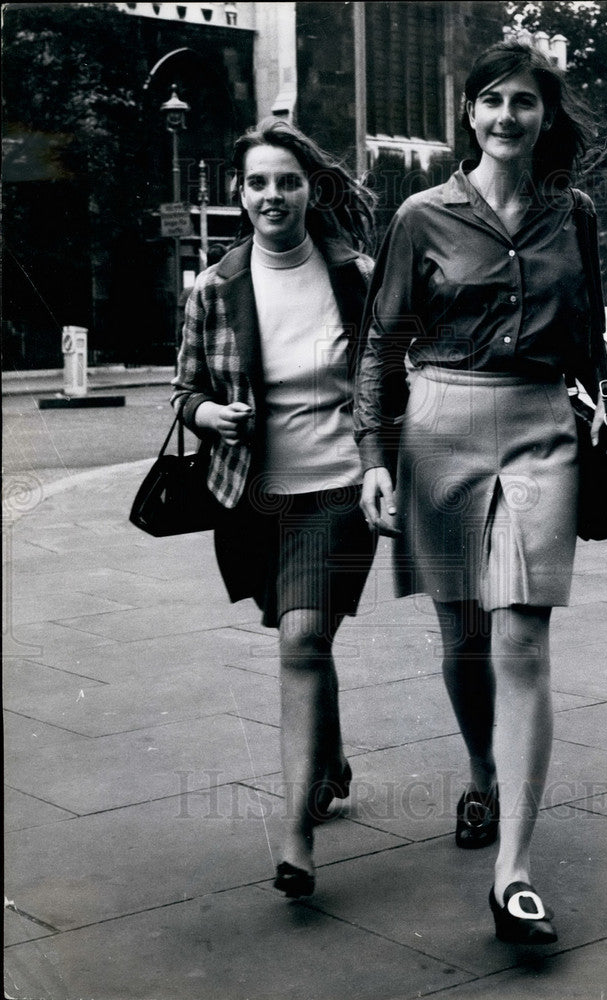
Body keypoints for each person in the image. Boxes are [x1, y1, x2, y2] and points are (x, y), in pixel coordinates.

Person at [355, 37, 607, 944]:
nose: (508, 117)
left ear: (545, 115)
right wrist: (371, 454)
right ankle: (482, 769)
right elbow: (380, 344)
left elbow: (589, 329)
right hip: (440, 424)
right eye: (492, 102)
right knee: (464, 638)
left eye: (525, 102)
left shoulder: (574, 213)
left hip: (542, 425)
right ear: (468, 114)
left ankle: (514, 867)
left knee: (521, 638)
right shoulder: (421, 215)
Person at [172, 117, 377, 899]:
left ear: (310, 189)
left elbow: (388, 380)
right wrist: (207, 417)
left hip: (340, 491)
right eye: (257, 182)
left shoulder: (354, 274)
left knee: (299, 638)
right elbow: (184, 387)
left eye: (286, 181)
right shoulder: (215, 288)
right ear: (240, 193)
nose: (271, 195)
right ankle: (329, 762)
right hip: (250, 497)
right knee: (303, 638)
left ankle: (294, 833)